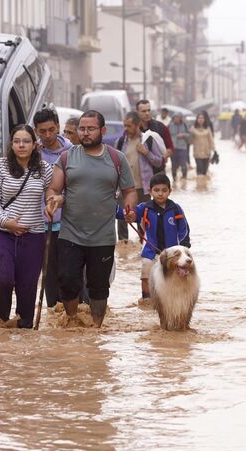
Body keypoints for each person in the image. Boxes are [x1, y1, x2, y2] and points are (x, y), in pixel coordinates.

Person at [45, 110, 138, 327]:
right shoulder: (67, 157)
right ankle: (72, 321)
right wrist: (53, 200)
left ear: (102, 131)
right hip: (70, 233)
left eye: (91, 129)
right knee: (67, 281)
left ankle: (96, 328)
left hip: (103, 235)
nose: (85, 133)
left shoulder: (117, 158)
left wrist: (130, 208)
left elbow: (129, 190)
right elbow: (54, 188)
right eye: (82, 129)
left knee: (99, 287)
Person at [0, 124, 53, 328]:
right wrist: (7, 223)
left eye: (26, 141)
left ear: (34, 145)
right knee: (2, 279)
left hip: (33, 237)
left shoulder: (44, 169)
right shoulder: (1, 165)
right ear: (11, 144)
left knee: (28, 286)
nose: (21, 145)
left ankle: (24, 329)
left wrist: (51, 205)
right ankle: (1, 324)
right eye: (17, 141)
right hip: (2, 233)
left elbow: (52, 192)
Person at [33, 108, 72, 308]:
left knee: (68, 274)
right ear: (36, 131)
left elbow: (76, 187)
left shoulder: (71, 152)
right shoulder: (32, 154)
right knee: (48, 275)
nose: (47, 135)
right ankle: (53, 314)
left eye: (51, 129)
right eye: (42, 131)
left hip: (68, 224)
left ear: (58, 127)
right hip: (40, 224)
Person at [133, 173, 190, 299]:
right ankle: (146, 300)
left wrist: (184, 246)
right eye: (156, 190)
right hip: (150, 251)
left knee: (175, 277)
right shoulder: (145, 208)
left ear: (170, 191)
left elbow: (184, 229)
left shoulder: (176, 209)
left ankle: (175, 300)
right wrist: (121, 212)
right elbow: (131, 215)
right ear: (150, 191)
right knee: (146, 275)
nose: (160, 193)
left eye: (164, 190)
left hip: (172, 253)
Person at [116, 110, 162, 240]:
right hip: (124, 187)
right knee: (122, 219)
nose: (126, 128)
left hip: (144, 187)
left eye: (129, 126)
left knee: (143, 219)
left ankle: (144, 246)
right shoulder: (120, 142)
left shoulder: (148, 140)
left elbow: (158, 161)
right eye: (124, 125)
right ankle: (124, 248)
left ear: (138, 125)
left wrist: (146, 152)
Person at [135, 99, 172, 174]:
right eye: (144, 111)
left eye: (149, 110)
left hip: (158, 171)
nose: (147, 113)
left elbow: (170, 148)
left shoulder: (160, 127)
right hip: (139, 171)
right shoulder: (134, 129)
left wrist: (163, 158)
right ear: (137, 112)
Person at [191, 111, 215, 189]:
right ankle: (199, 187)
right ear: (197, 119)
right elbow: (190, 141)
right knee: (199, 170)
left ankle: (204, 188)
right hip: (197, 153)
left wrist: (214, 150)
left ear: (205, 119)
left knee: (204, 172)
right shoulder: (193, 129)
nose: (201, 119)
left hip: (207, 153)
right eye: (199, 118)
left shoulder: (208, 129)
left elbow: (211, 140)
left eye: (202, 118)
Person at [168, 112, 190, 180]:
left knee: (183, 164)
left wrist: (183, 135)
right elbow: (166, 136)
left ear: (180, 118)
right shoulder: (170, 126)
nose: (176, 119)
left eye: (177, 117)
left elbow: (189, 135)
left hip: (183, 148)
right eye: (174, 117)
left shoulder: (185, 125)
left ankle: (184, 178)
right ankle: (174, 179)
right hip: (173, 148)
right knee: (173, 165)